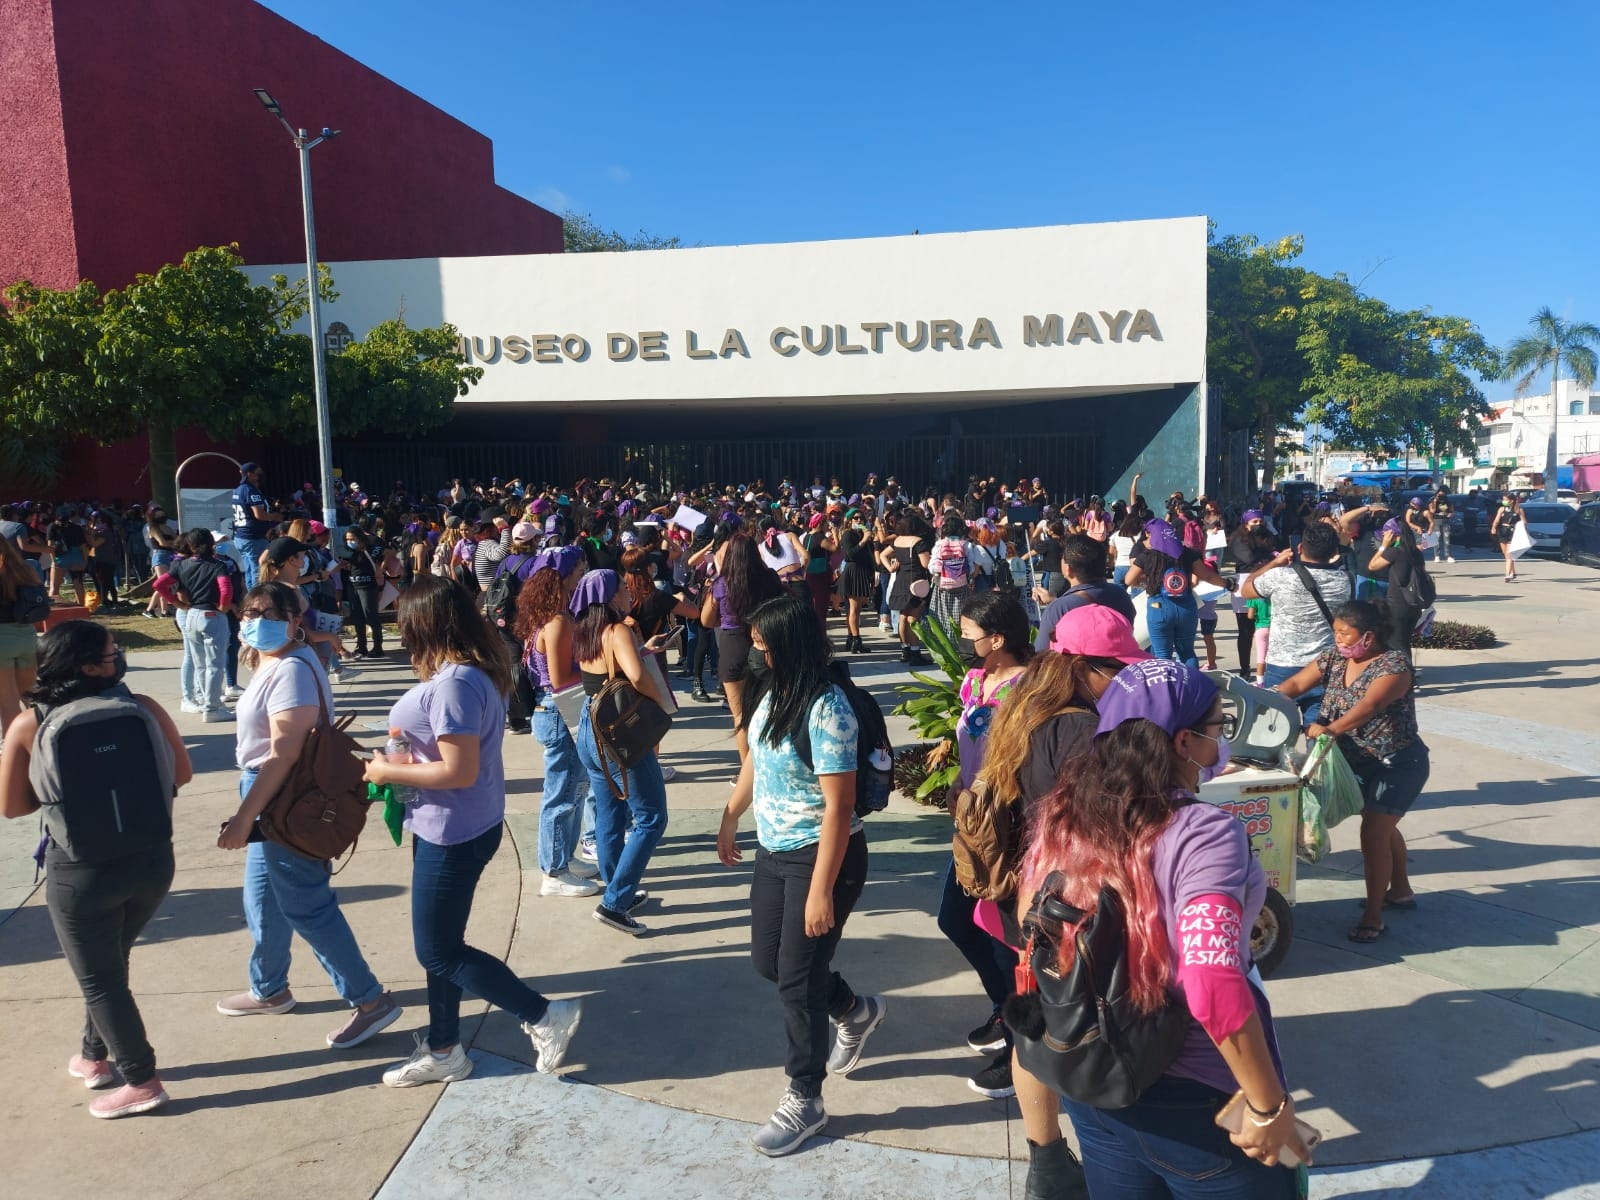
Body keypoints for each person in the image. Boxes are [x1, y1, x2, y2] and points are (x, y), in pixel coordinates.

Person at [1019, 658, 1309, 1197]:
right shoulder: (1203, 835)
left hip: (1094, 1078)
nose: (1221, 743)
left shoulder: (1062, 816)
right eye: (1218, 728)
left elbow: (1029, 924)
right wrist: (1269, 1107)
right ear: (1183, 743)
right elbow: (1211, 980)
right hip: (1193, 1100)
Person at [364, 575, 585, 1085]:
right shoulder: (462, 674)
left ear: (425, 623)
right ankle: (444, 1048)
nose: (399, 631)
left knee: (437, 950)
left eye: (403, 622)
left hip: (453, 830)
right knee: (444, 943)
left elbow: (457, 770)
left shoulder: (457, 682)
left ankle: (543, 1014)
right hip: (449, 823)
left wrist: (386, 772)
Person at [0, 621, 192, 1118]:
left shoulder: (30, 723)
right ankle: (93, 1057)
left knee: (100, 978)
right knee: (110, 963)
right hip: (152, 859)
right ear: (86, 665)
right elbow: (182, 773)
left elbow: (13, 807)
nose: (119, 657)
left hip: (81, 869)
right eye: (112, 652)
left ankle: (142, 1080)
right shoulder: (143, 707)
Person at [716, 594, 885, 1157]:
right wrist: (729, 817)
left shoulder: (826, 706)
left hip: (825, 857)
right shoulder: (772, 693)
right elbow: (754, 763)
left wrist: (819, 890)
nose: (754, 648)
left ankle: (805, 1097)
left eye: (762, 640)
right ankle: (854, 1010)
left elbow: (839, 807)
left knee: (796, 978)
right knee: (770, 964)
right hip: (773, 853)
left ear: (785, 642)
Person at [214, 582, 400, 1048]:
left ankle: (370, 1001)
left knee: (306, 906)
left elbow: (283, 755)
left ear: (297, 620)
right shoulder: (272, 663)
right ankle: (269, 988)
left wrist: (243, 817)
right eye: (250, 612)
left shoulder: (292, 670)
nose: (257, 619)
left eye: (271, 612)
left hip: (282, 797)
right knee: (263, 900)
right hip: (270, 793)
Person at [1278, 602, 1429, 945]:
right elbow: (1297, 683)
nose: (1338, 639)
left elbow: (1369, 707)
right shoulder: (1334, 658)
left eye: (1345, 634)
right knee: (1383, 829)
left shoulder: (1395, 665)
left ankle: (1373, 915)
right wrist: (1267, 699)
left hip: (1397, 762)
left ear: (1369, 636)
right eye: (1336, 632)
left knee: (1373, 833)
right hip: (1355, 761)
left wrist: (1330, 729)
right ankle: (1400, 891)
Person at [935, 590, 1032, 1099]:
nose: (962, 639)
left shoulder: (1026, 689)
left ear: (998, 638)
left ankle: (1022, 1050)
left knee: (1005, 941)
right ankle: (1005, 1007)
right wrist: (953, 770)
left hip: (1006, 830)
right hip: (971, 824)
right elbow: (969, 736)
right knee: (955, 919)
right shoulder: (976, 680)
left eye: (969, 632)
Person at [573, 570, 670, 935]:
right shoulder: (618, 631)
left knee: (610, 815)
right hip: (617, 734)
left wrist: (644, 649)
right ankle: (614, 903)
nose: (629, 592)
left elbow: (606, 669)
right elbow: (636, 675)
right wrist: (659, 701)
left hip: (589, 728)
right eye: (623, 589)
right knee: (651, 818)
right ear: (610, 598)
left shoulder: (586, 630)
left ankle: (617, 889)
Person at [514, 546, 601, 897]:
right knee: (562, 793)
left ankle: (564, 856)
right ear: (564, 576)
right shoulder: (557, 622)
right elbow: (560, 678)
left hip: (556, 708)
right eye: (579, 571)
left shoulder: (547, 617)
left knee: (576, 789)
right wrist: (598, 668)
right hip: (560, 709)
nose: (582, 578)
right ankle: (554, 870)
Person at [1240, 521, 1351, 728]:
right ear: (1335, 552)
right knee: (1319, 734)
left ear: (1300, 548)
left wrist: (1274, 563)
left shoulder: (1281, 576)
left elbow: (1246, 589)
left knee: (1274, 734)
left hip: (1282, 666)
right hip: (1324, 667)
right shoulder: (1346, 581)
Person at [701, 531, 784, 761]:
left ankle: (747, 770)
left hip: (732, 644)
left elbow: (706, 620)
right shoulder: (769, 577)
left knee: (740, 715)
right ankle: (770, 762)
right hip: (764, 642)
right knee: (768, 708)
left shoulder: (722, 583)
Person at [1122, 518, 1231, 667]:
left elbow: (1128, 580)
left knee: (1162, 655)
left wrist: (1147, 583)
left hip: (1158, 607)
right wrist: (1228, 584)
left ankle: (1166, 689)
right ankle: (1190, 688)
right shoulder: (1187, 554)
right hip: (1186, 608)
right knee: (1187, 652)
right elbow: (1208, 575)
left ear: (1149, 533)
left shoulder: (1147, 556)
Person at [170, 528, 237, 723]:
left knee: (200, 664)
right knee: (214, 664)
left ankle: (207, 700)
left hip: (191, 614)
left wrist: (176, 603)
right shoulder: (218, 565)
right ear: (211, 544)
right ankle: (212, 707)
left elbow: (160, 584)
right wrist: (224, 606)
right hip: (212, 615)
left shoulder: (181, 565)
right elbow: (225, 587)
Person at [1033, 534, 1138, 652]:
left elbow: (1041, 652)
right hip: (1119, 667)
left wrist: (1055, 605)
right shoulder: (1120, 595)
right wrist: (1055, 602)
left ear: (1068, 569)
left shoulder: (1059, 608)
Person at [1227, 510, 1279, 677]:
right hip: (1244, 582)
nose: (1259, 525)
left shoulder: (1268, 536)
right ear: (1246, 524)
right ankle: (1244, 668)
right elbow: (1249, 558)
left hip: (1266, 580)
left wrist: (1271, 556)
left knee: (1267, 627)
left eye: (1260, 521)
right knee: (1245, 630)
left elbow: (1276, 551)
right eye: (1254, 522)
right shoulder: (1238, 539)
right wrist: (1269, 556)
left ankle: (1266, 667)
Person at [1367, 519, 1428, 657]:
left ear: (1394, 535)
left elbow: (1372, 566)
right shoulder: (1415, 552)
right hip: (1414, 602)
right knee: (1405, 641)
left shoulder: (1394, 552)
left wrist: (1383, 546)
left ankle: (1404, 676)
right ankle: (1408, 674)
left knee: (1397, 643)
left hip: (1398, 604)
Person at [0, 534, 41, 729]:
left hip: (1, 643)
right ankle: (45, 741)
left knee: (8, 705)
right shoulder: (24, 569)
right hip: (27, 637)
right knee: (32, 698)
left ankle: (15, 752)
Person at [230, 463, 278, 589]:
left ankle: (251, 597)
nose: (260, 476)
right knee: (259, 571)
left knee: (249, 571)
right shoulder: (250, 490)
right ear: (249, 474)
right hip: (253, 537)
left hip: (241, 536)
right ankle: (258, 601)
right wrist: (275, 516)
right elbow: (259, 514)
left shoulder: (238, 490)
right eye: (258, 473)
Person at [1491, 495, 1523, 582]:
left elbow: (1524, 521)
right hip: (1503, 531)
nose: (1503, 501)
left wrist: (1520, 527)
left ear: (1511, 501)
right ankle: (1513, 572)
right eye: (1503, 499)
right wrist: (1493, 527)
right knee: (1506, 554)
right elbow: (1497, 519)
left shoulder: (1518, 509)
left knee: (1509, 555)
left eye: (1505, 500)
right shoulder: (1502, 509)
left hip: (1512, 531)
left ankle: (1507, 575)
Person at [1427, 488, 1457, 564]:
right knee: (1436, 538)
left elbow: (1451, 511)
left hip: (1445, 521)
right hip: (1436, 521)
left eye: (1442, 495)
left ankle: (1448, 555)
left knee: (1447, 538)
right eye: (1439, 495)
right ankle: (1437, 555)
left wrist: (1448, 513)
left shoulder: (1447, 502)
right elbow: (1432, 511)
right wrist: (1435, 501)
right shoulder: (1432, 501)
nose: (1440, 496)